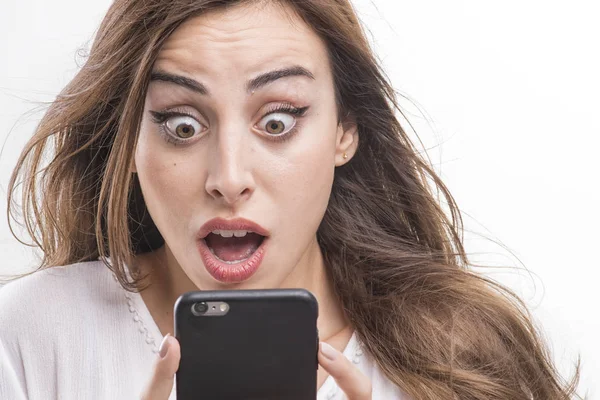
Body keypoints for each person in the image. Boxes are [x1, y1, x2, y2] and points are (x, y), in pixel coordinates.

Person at [0, 0, 580, 399]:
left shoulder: (468, 358)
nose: (229, 177)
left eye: (277, 121)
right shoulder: (28, 337)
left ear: (344, 129)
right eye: (181, 125)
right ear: (127, 141)